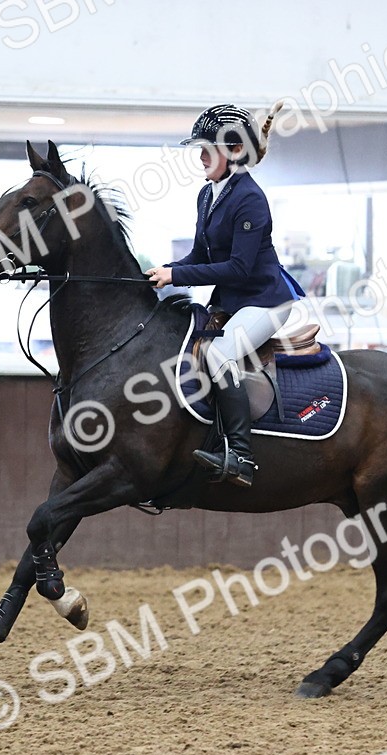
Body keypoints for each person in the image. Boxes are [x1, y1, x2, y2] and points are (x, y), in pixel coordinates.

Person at [147, 103, 305, 488]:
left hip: (266, 301)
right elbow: (200, 256)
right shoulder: (207, 195)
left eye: (207, 149)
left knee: (218, 354)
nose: (200, 156)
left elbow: (239, 268)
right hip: (234, 300)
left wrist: (177, 275)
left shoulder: (250, 199)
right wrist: (161, 273)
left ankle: (240, 455)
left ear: (233, 151)